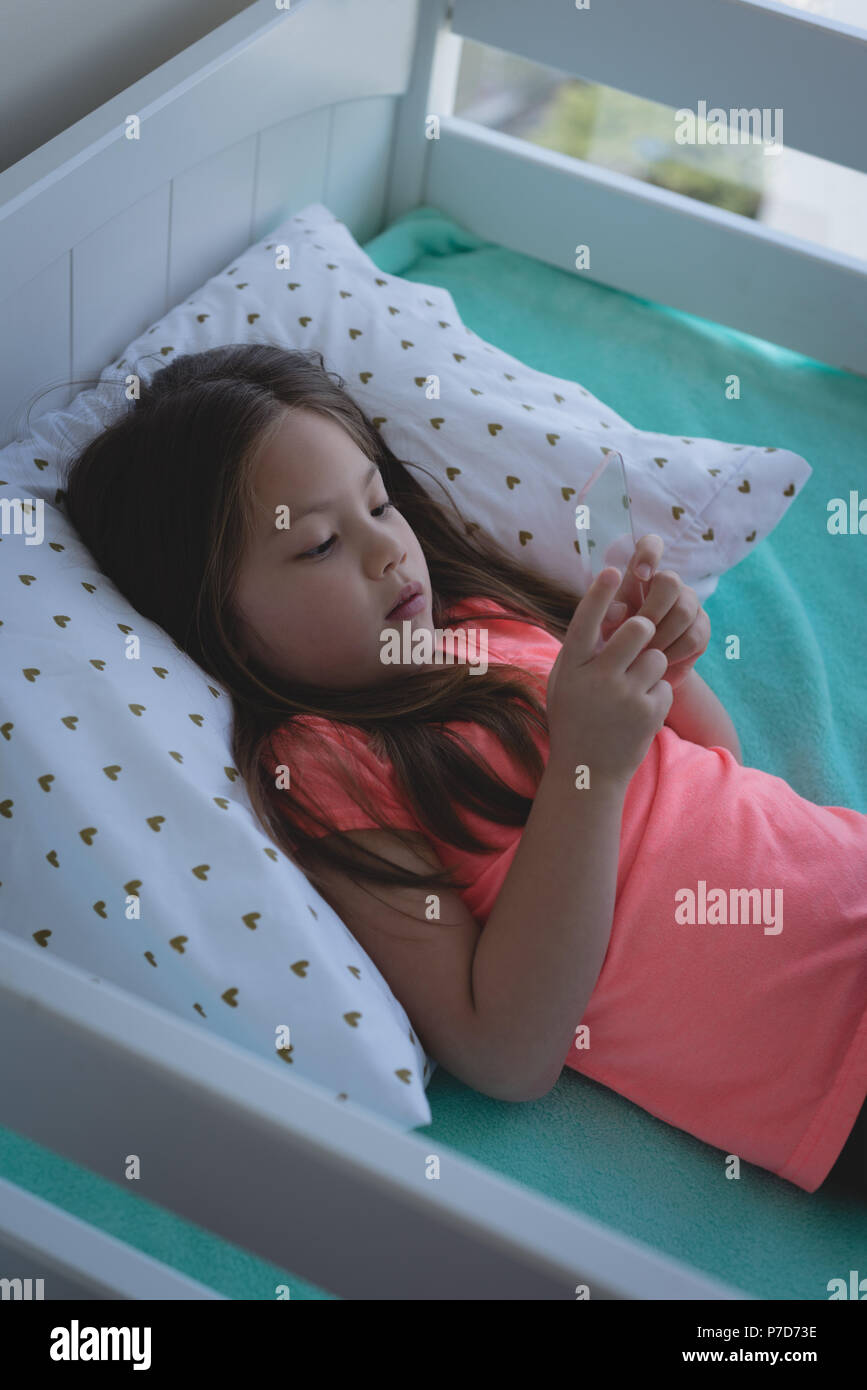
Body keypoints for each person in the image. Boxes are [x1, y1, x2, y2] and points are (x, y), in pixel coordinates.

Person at [62, 343, 867, 1196]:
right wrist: (584, 768)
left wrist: (663, 663)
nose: (387, 552)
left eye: (378, 503)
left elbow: (708, 769)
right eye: (321, 544)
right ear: (215, 621)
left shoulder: (478, 621)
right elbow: (506, 1053)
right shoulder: (323, 769)